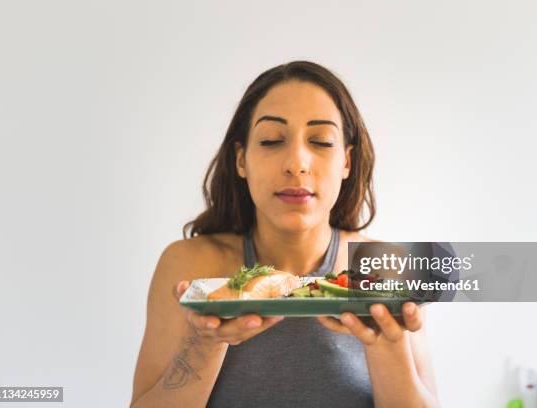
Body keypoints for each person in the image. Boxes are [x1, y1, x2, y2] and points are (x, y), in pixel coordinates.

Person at [130, 61, 440, 408]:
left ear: (347, 162)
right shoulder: (190, 266)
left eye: (321, 141)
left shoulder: (388, 266)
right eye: (272, 140)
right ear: (241, 160)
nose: (297, 163)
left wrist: (389, 346)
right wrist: (203, 343)